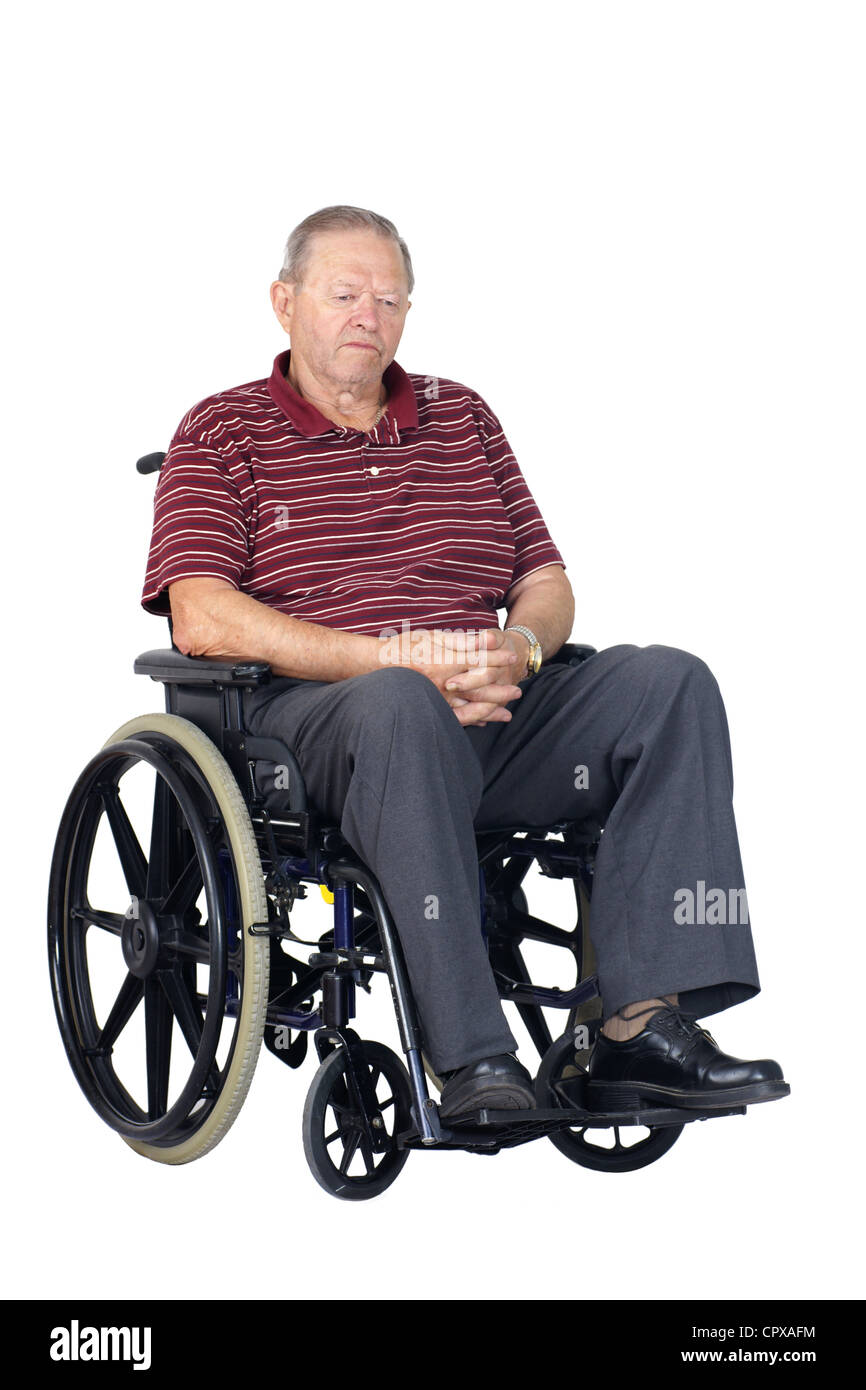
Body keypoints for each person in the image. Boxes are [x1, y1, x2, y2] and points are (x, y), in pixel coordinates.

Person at [141, 204, 786, 1120]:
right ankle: (475, 1059)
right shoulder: (223, 430)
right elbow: (201, 615)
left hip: (489, 709)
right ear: (284, 303)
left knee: (670, 682)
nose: (370, 314)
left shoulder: (463, 414)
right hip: (325, 726)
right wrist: (391, 661)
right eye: (345, 293)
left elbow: (546, 579)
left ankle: (640, 1028)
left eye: (391, 298)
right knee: (400, 702)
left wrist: (517, 647)